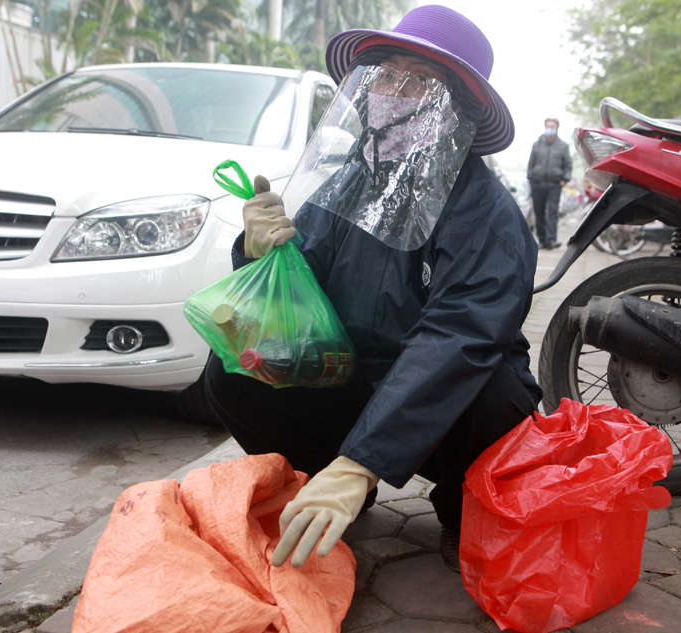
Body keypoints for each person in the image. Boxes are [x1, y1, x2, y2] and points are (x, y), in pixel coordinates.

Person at [203, 4, 541, 574]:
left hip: (445, 392)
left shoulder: (485, 209)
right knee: (234, 370)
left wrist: (362, 460)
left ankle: (464, 508)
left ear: (457, 105)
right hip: (351, 374)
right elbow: (298, 300)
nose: (395, 90)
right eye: (386, 74)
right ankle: (327, 489)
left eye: (422, 80)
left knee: (495, 398)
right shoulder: (347, 184)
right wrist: (259, 253)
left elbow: (460, 335)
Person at [527, 117, 572, 249]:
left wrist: (565, 178)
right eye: (548, 126)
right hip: (537, 184)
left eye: (552, 126)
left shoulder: (563, 146)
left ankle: (551, 240)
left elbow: (568, 165)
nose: (550, 128)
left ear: (557, 128)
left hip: (554, 184)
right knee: (539, 212)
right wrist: (530, 177)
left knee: (552, 213)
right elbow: (531, 163)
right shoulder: (537, 144)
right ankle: (542, 240)